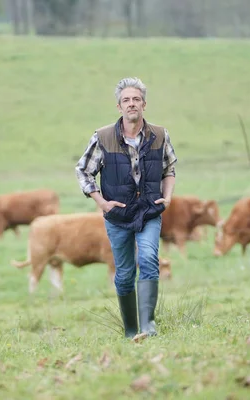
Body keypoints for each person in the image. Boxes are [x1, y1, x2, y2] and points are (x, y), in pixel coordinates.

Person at [75, 77, 177, 338]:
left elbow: (170, 168)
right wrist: (102, 203)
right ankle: (131, 330)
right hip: (117, 214)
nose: (132, 104)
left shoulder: (160, 135)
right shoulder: (103, 137)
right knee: (124, 273)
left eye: (136, 99)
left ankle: (148, 326)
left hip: (149, 210)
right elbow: (83, 171)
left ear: (144, 104)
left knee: (148, 259)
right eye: (126, 100)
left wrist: (167, 197)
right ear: (118, 107)